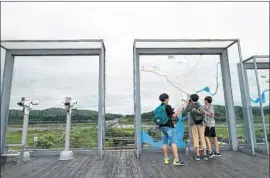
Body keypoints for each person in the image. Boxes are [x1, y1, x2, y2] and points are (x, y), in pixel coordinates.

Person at [154, 93, 185, 166]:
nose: (169, 99)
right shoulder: (167, 106)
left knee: (164, 143)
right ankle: (176, 160)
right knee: (173, 142)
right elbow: (174, 115)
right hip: (169, 127)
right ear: (166, 99)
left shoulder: (158, 108)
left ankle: (166, 159)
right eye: (168, 98)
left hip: (162, 127)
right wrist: (181, 108)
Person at [182, 94, 208, 161]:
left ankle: (198, 155)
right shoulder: (200, 105)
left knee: (195, 138)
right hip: (201, 124)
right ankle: (205, 155)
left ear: (191, 99)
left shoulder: (190, 106)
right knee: (202, 138)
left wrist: (186, 103)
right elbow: (204, 114)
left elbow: (184, 112)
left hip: (193, 124)